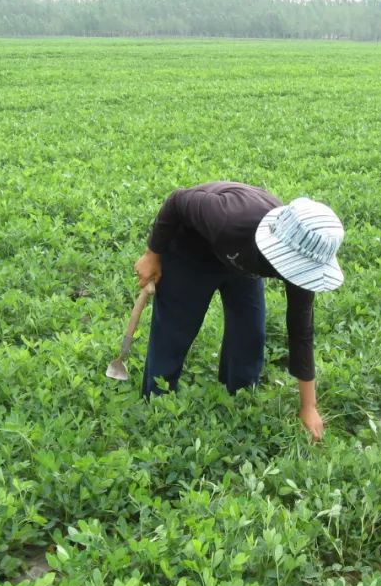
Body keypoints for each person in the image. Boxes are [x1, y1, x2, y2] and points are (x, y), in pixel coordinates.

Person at [134, 181, 344, 441]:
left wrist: (308, 407)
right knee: (175, 331)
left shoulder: (302, 263)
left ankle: (239, 401)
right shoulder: (228, 219)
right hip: (192, 251)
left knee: (249, 334)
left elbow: (301, 331)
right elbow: (178, 201)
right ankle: (156, 407)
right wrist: (152, 253)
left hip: (244, 260)